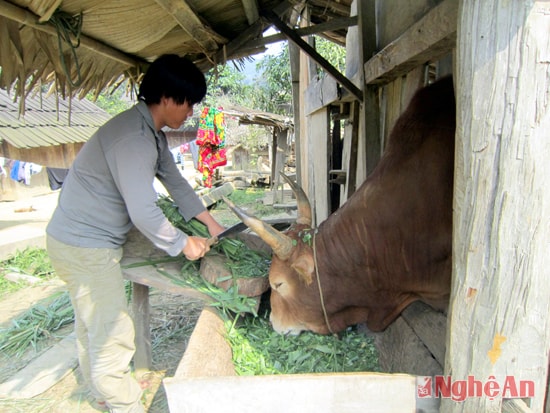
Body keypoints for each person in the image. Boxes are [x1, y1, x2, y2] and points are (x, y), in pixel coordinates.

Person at [46, 54, 225, 412]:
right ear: (166, 97)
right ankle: (126, 404)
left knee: (92, 324)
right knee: (112, 331)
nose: (191, 111)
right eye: (188, 102)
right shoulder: (133, 139)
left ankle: (101, 389)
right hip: (85, 246)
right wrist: (181, 243)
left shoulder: (151, 135)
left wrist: (211, 223)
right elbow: (143, 209)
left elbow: (175, 183)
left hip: (74, 241)